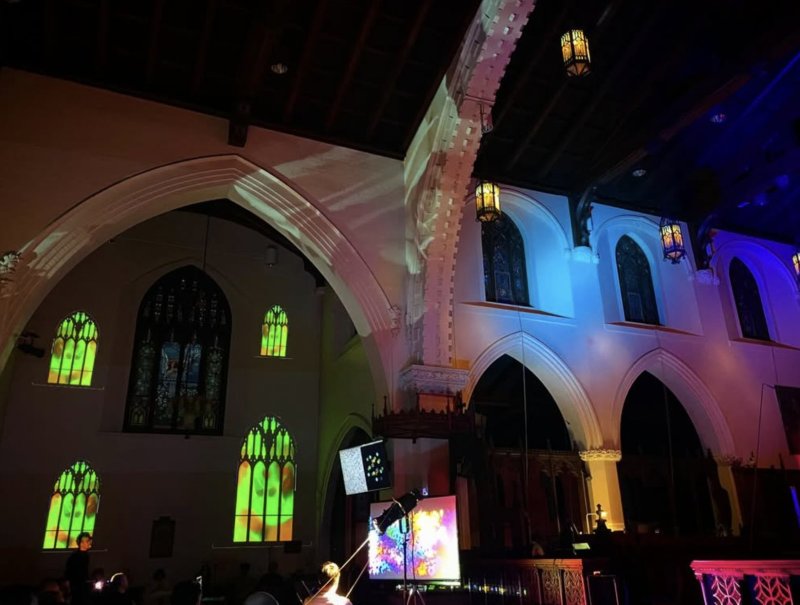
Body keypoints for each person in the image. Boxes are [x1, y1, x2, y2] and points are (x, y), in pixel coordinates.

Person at [65, 533, 93, 605]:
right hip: (78, 587)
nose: (90, 542)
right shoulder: (75, 557)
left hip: (83, 586)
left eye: (89, 540)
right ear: (81, 543)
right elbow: (69, 572)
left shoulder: (86, 555)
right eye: (87, 541)